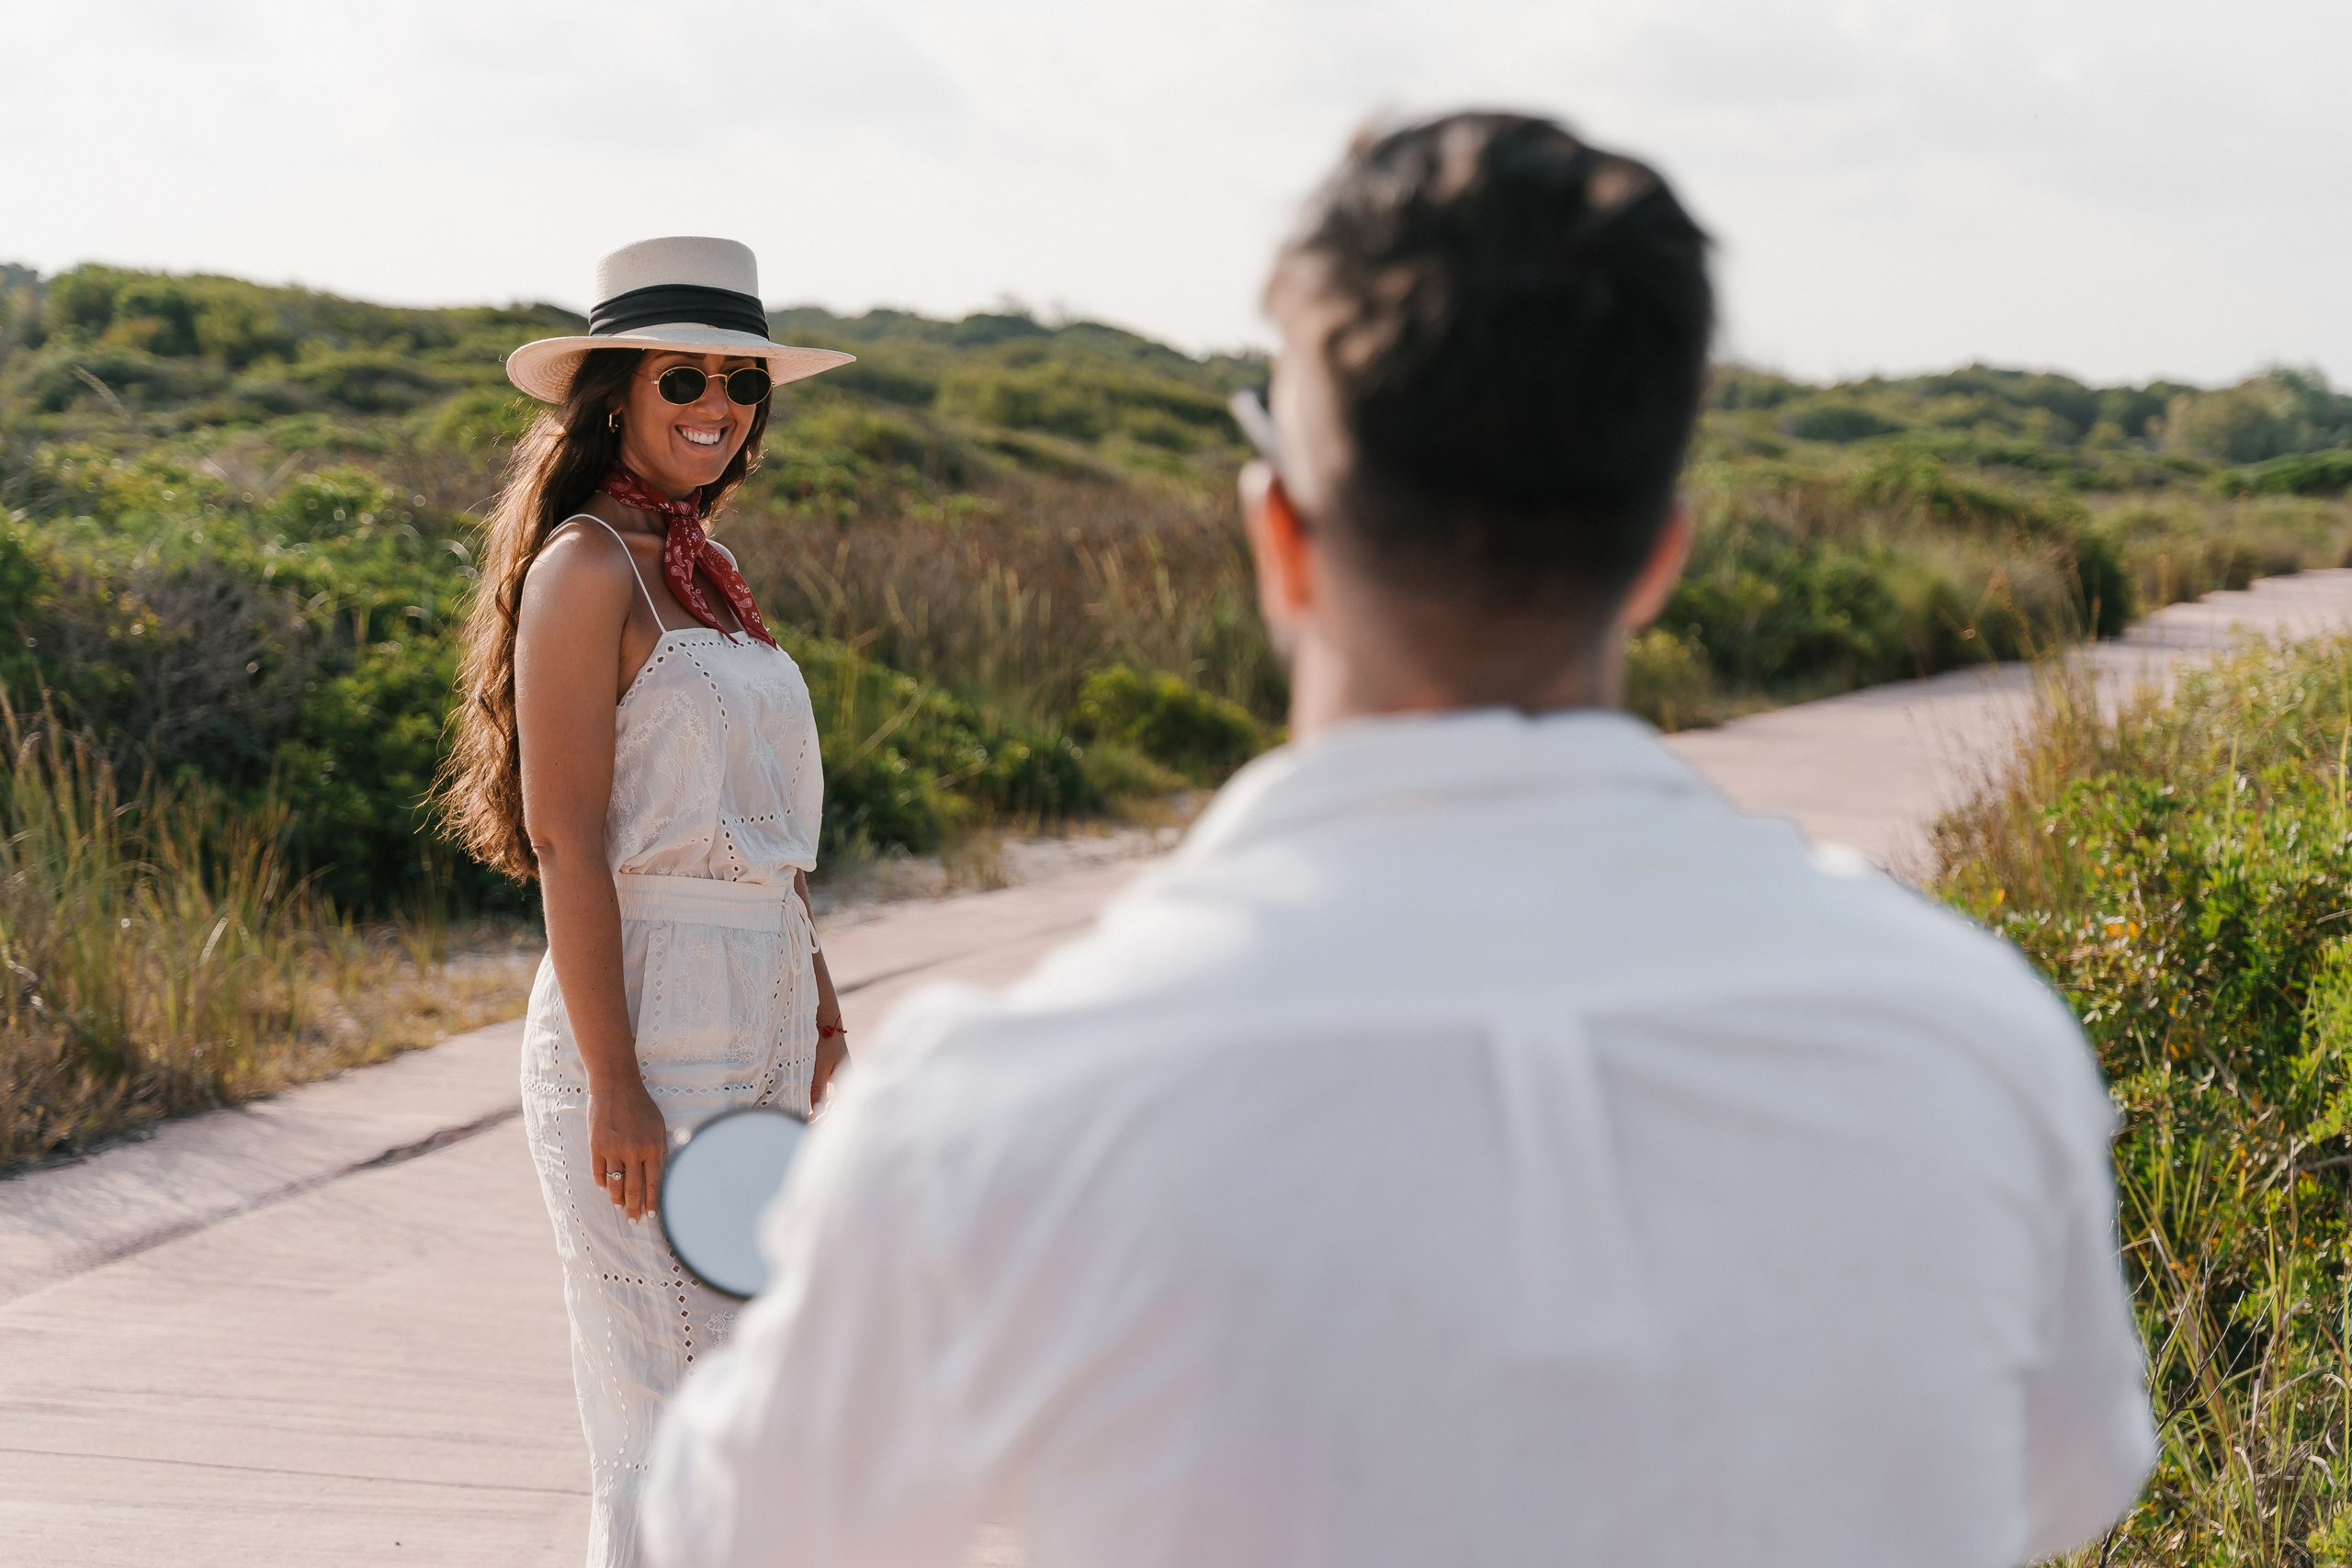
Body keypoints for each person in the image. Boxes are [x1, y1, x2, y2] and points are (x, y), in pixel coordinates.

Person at [641, 117, 2154, 1568]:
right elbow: (2067, 1477)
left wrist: (846, 1257)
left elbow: (736, 1537)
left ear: (1280, 539)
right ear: (1659, 559)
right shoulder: (1970, 1039)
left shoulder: (1003, 1108)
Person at [440, 235, 859, 1568]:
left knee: (748, 1400)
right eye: (684, 377)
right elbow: (567, 842)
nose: (717, 405)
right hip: (643, 1032)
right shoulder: (586, 570)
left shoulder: (705, 572)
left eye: (742, 382)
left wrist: (823, 1009)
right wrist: (616, 1085)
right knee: (666, 1411)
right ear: (614, 394)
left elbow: (766, 835)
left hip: (762, 1020)